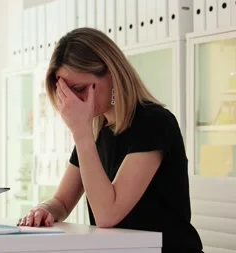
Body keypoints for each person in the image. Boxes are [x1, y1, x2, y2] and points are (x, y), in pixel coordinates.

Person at [18, 28, 203, 253]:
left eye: (79, 89)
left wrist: (81, 133)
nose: (74, 102)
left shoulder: (154, 122)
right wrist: (44, 209)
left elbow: (108, 215)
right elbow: (63, 202)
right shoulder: (95, 132)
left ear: (111, 74)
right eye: (66, 93)